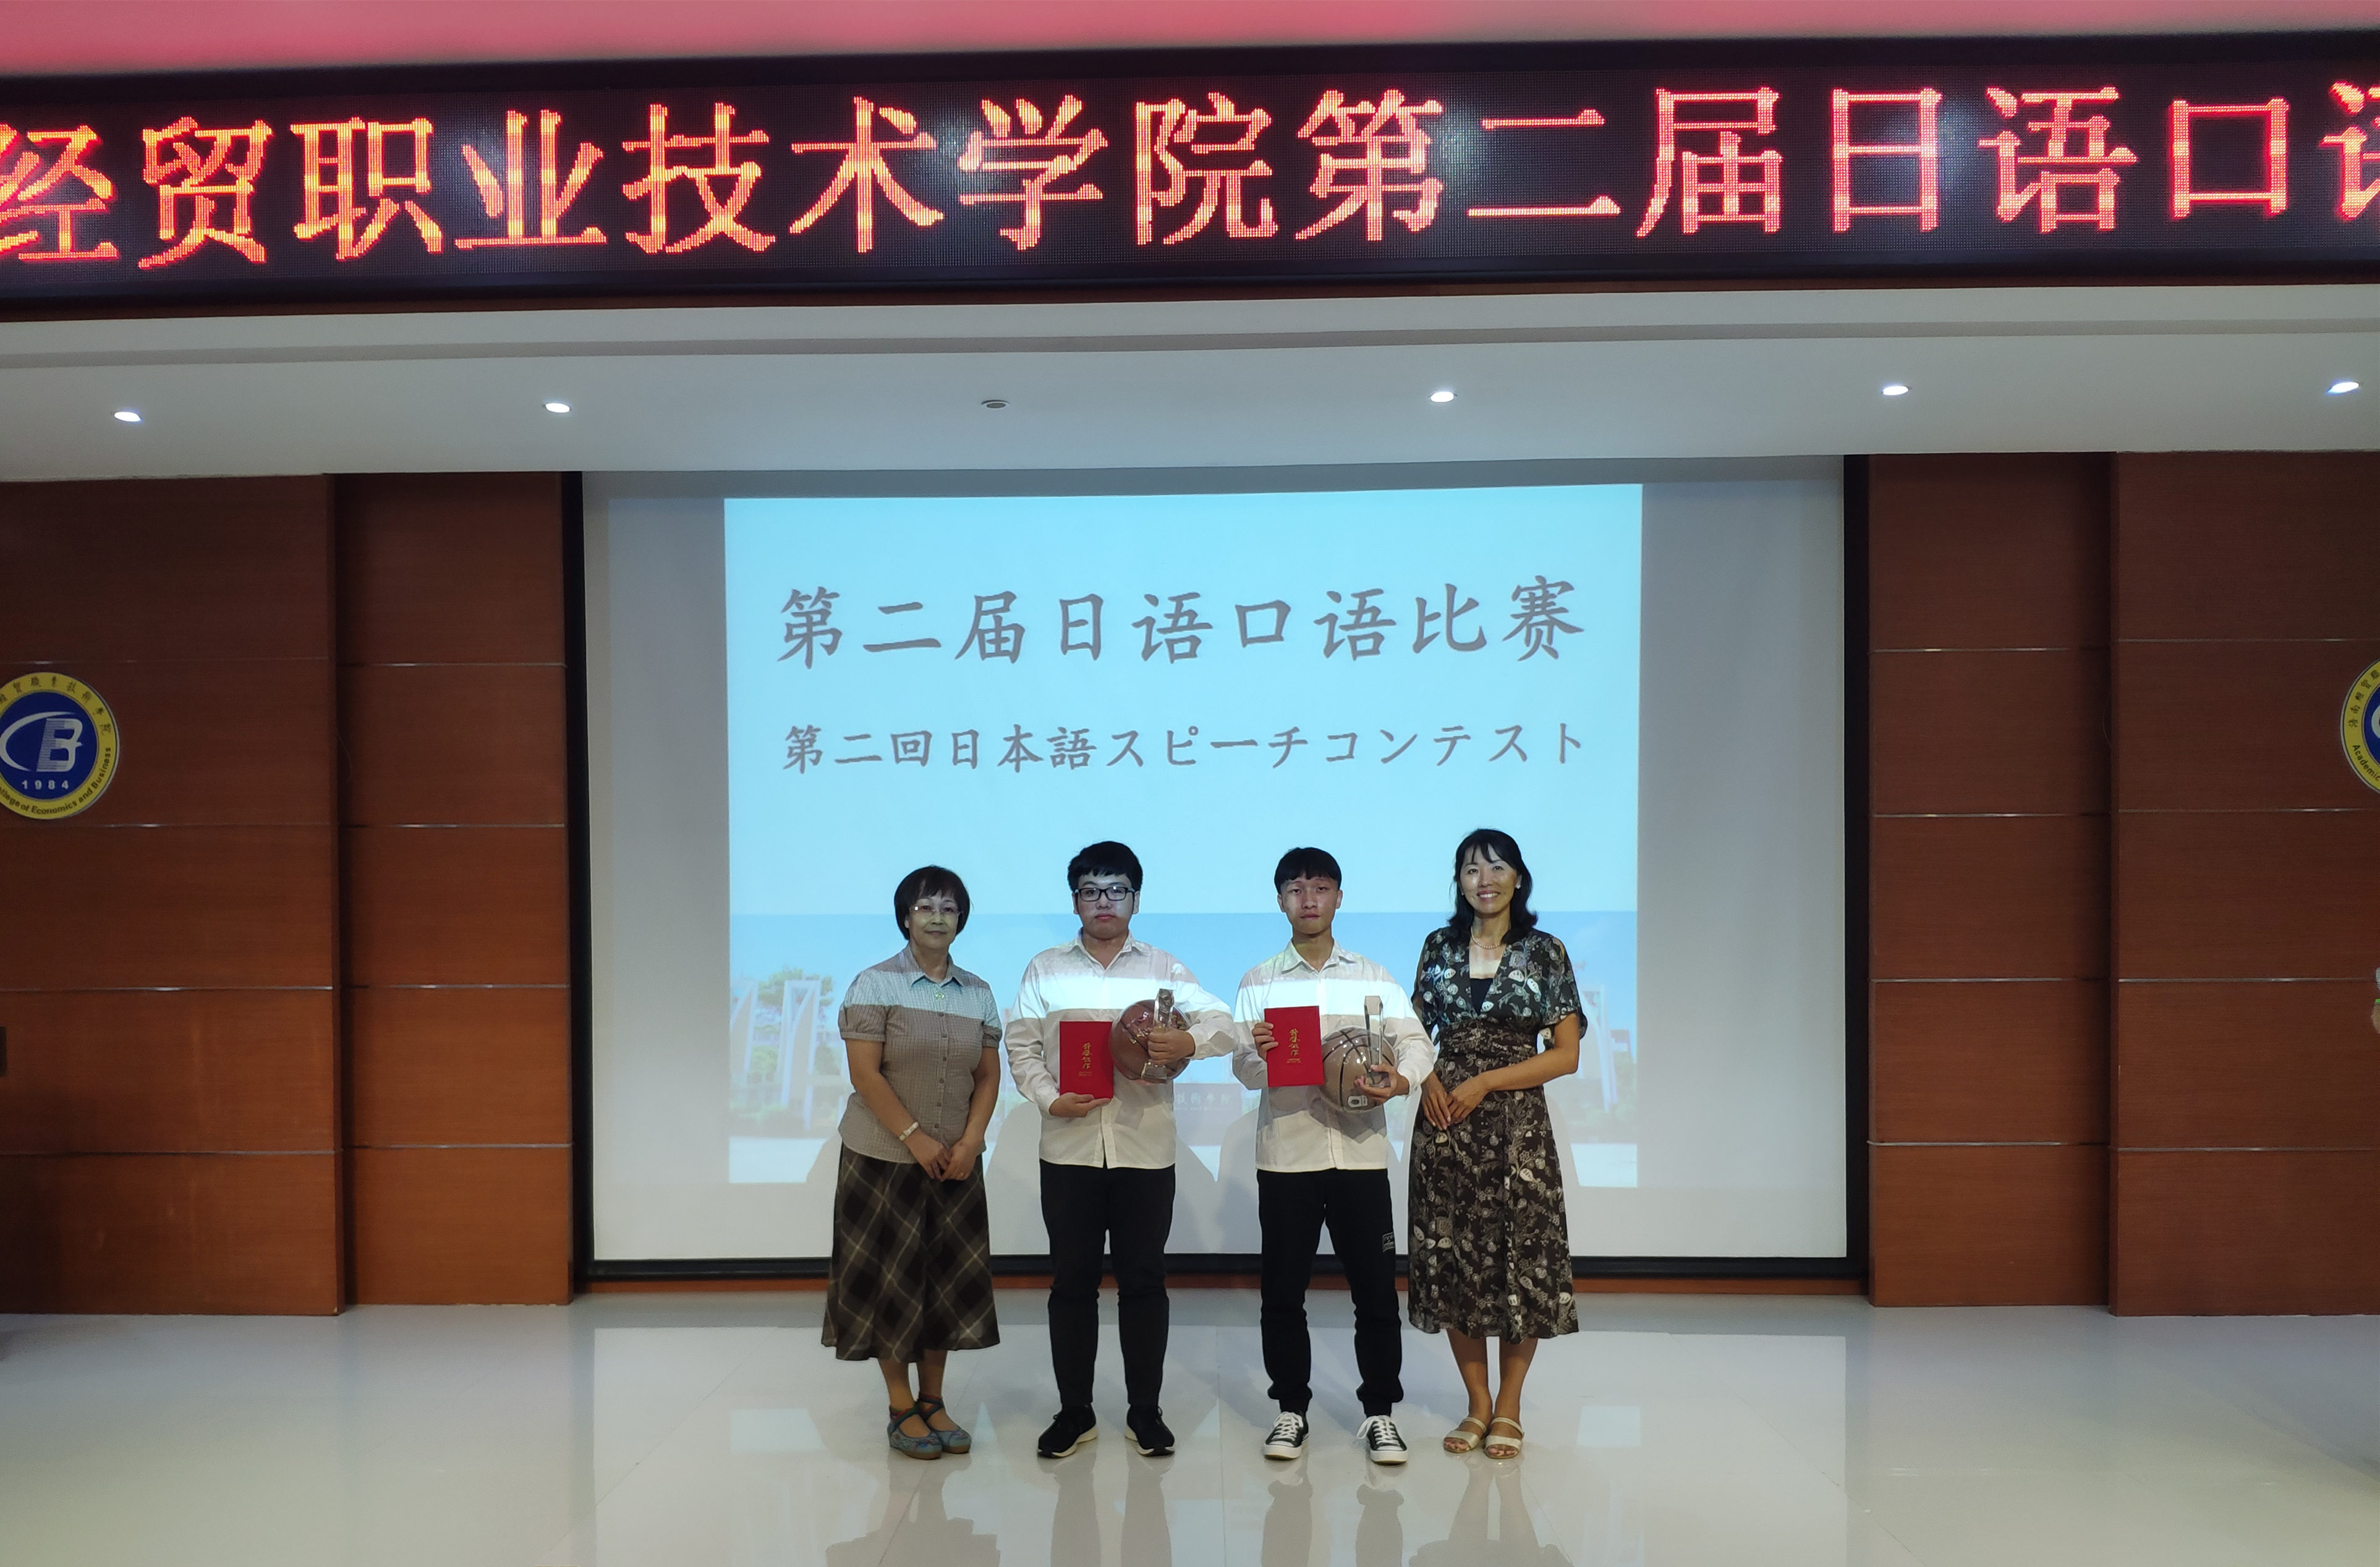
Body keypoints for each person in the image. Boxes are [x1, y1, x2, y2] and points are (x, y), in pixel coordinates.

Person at [1005, 840, 1235, 1460]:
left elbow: (1223, 1025)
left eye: (1117, 890)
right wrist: (1049, 1099)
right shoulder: (1044, 969)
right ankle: (1074, 1412)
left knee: (1144, 1281)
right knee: (1071, 1284)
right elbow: (1021, 1046)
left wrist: (1186, 1042)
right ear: (1074, 900)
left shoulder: (1164, 968)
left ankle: (1145, 1411)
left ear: (1136, 898)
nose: (1103, 901)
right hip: (1069, 1148)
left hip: (1144, 1150)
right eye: (1090, 890)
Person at [1232, 846, 1433, 1466]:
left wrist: (1401, 1079)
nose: (1308, 899)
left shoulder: (1372, 976)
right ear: (1280, 901)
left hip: (1361, 1155)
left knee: (1375, 1293)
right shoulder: (1259, 981)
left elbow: (1416, 1043)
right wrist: (1261, 1054)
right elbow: (1242, 1067)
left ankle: (1380, 1413)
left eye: (1320, 887)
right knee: (1282, 1293)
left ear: (1339, 897)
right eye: (1295, 889)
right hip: (1287, 1156)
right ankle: (1291, 1410)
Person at [1406, 828, 1583, 1461]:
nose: (1485, 879)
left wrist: (1485, 1081)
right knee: (1453, 1259)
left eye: (1497, 867)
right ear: (1458, 882)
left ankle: (1509, 1404)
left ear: (1518, 878)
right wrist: (1429, 1081)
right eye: (1471, 869)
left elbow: (1565, 1056)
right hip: (1445, 1120)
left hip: (1516, 1126)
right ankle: (1477, 1403)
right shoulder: (1438, 946)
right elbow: (1411, 1033)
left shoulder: (1545, 951)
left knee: (1520, 1258)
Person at [823, 865, 1004, 1460]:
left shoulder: (978, 992)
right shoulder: (875, 983)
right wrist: (915, 1137)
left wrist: (971, 1141)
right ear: (906, 917)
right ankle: (900, 1404)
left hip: (955, 1162)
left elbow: (987, 1076)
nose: (937, 917)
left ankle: (933, 1399)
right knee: (891, 1283)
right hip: (882, 1159)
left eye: (949, 908)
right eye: (926, 906)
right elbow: (865, 1074)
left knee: (944, 1281)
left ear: (961, 920)